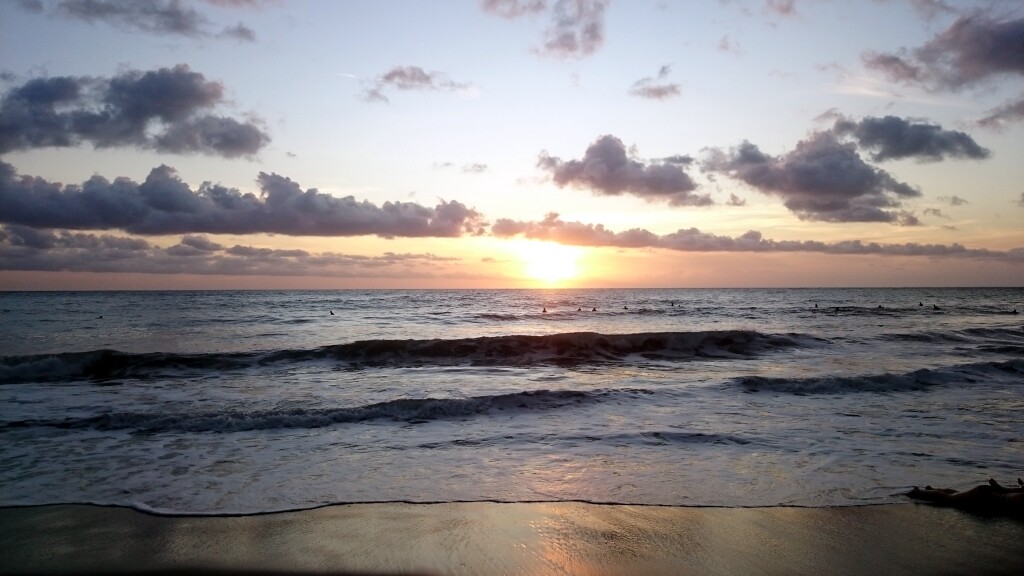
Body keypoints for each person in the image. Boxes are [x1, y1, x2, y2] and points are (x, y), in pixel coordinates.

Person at [907, 478, 1024, 516]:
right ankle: (917, 492)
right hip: (986, 498)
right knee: (950, 499)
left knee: (954, 494)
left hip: (987, 496)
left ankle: (929, 490)